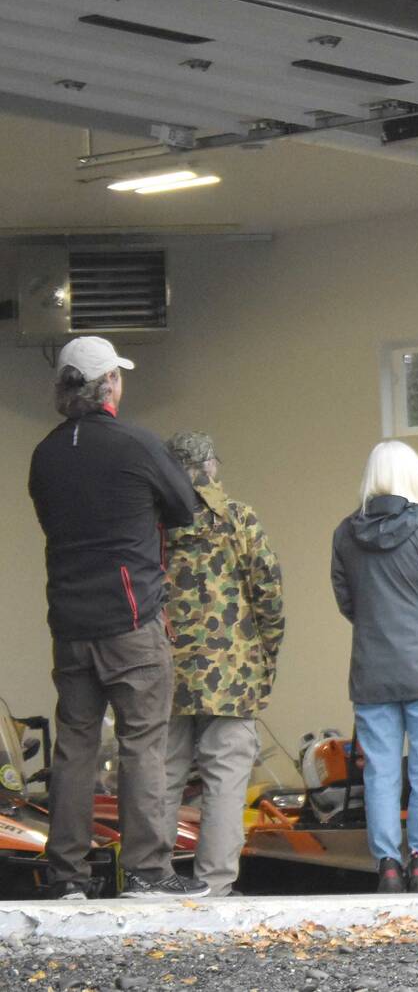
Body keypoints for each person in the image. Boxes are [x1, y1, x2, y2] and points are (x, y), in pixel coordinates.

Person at [26, 337, 207, 899]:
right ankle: (149, 873)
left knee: (75, 748)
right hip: (131, 623)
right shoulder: (135, 444)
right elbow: (185, 507)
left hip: (70, 626)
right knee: (143, 744)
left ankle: (66, 879)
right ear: (110, 385)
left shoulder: (45, 454)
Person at [331, 440, 418, 895]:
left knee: (380, 774)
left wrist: (378, 631)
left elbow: (347, 601)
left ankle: (387, 866)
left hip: (373, 671)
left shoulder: (345, 533)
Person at [161, 431, 285, 897]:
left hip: (167, 674)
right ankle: (213, 886)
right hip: (233, 677)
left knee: (162, 780)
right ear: (211, 467)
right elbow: (268, 593)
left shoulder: (151, 524)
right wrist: (266, 655)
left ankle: (152, 879)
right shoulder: (238, 519)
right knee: (226, 782)